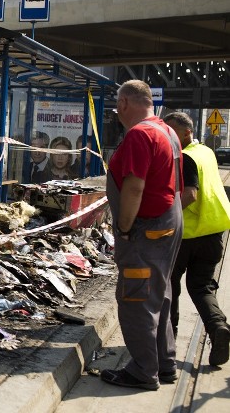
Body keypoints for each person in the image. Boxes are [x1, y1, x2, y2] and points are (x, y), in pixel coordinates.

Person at [100, 80, 183, 391]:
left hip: (145, 228)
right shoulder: (167, 130)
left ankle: (142, 372)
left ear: (123, 104)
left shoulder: (139, 134)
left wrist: (123, 227)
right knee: (158, 295)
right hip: (168, 221)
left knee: (136, 299)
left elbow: (135, 187)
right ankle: (165, 363)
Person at [163, 111, 230, 366]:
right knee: (201, 286)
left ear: (187, 132)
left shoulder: (187, 157)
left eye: (172, 132)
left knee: (170, 286)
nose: (167, 137)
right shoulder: (206, 152)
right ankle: (217, 327)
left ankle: (167, 339)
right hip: (212, 233)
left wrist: (164, 216)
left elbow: (190, 194)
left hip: (187, 236)